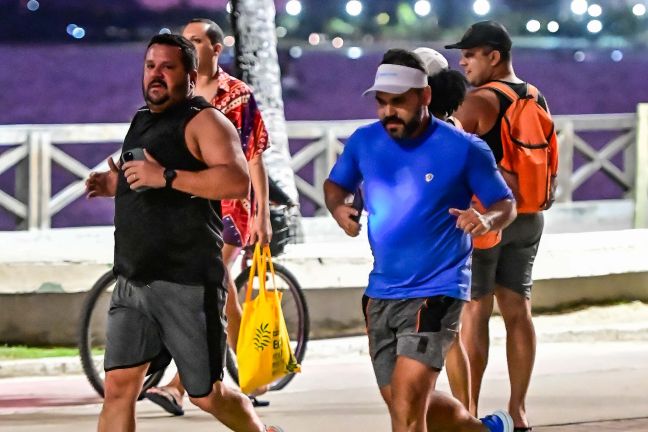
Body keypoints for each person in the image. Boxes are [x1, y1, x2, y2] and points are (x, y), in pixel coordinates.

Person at [85, 33, 282, 432]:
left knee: (207, 393)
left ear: (190, 76)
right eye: (150, 66)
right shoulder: (142, 119)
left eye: (167, 67)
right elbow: (142, 178)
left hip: (187, 282)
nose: (156, 75)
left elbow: (234, 181)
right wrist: (114, 184)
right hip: (133, 279)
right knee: (119, 387)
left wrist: (167, 176)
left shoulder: (205, 120)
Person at [323, 48, 517, 432]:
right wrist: (339, 206)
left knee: (408, 413)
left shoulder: (464, 148)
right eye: (381, 102)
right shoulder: (365, 142)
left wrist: (486, 218)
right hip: (382, 291)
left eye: (398, 102)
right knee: (403, 400)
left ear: (425, 97)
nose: (388, 112)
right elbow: (336, 184)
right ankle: (483, 430)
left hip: (438, 290)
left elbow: (505, 203)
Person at [145, 19, 273, 415]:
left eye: (197, 41)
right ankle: (251, 371)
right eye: (186, 40)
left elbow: (254, 156)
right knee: (221, 293)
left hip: (229, 209)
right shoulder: (177, 92)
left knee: (207, 287)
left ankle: (180, 386)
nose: (189, 46)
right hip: (188, 203)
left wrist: (261, 214)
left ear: (216, 49)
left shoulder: (237, 95)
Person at [447, 21, 557, 431]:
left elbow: (450, 157)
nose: (463, 62)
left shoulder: (478, 102)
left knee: (476, 312)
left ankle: (470, 411)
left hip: (488, 219)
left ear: (494, 56)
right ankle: (519, 409)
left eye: (469, 54)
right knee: (518, 311)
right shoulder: (535, 95)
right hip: (530, 216)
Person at [413, 46, 474, 414]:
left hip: (433, 252)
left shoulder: (434, 135)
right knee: (448, 339)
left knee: (429, 339)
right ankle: (465, 414)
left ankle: (456, 418)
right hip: (444, 247)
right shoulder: (454, 128)